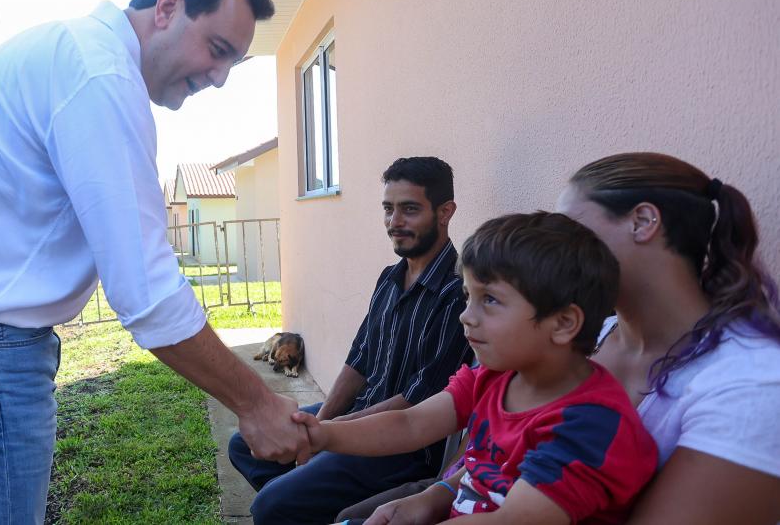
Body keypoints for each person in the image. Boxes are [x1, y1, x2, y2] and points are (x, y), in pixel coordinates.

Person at [0, 0, 311, 524]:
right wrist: (256, 404)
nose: (221, 78)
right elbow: (146, 291)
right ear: (168, 7)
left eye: (234, 63)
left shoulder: (72, 53)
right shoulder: (100, 73)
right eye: (218, 49)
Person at [353, 152, 780, 525]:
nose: (550, 249)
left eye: (571, 229)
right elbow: (504, 450)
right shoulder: (597, 337)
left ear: (644, 222)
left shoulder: (751, 385)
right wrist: (439, 495)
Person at [296, 211, 657, 524]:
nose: (466, 316)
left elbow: (510, 520)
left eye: (490, 300)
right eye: (469, 296)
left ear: (563, 323)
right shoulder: (496, 377)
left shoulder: (589, 425)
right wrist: (325, 435)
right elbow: (412, 422)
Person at [228, 157, 472, 524]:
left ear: (445, 212)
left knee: (272, 506)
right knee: (243, 445)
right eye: (388, 209)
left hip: (403, 449)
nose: (394, 222)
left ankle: (298, 501)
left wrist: (327, 435)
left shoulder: (457, 294)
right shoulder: (389, 279)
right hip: (359, 414)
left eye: (409, 209)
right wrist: (321, 423)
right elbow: (358, 361)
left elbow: (415, 404)